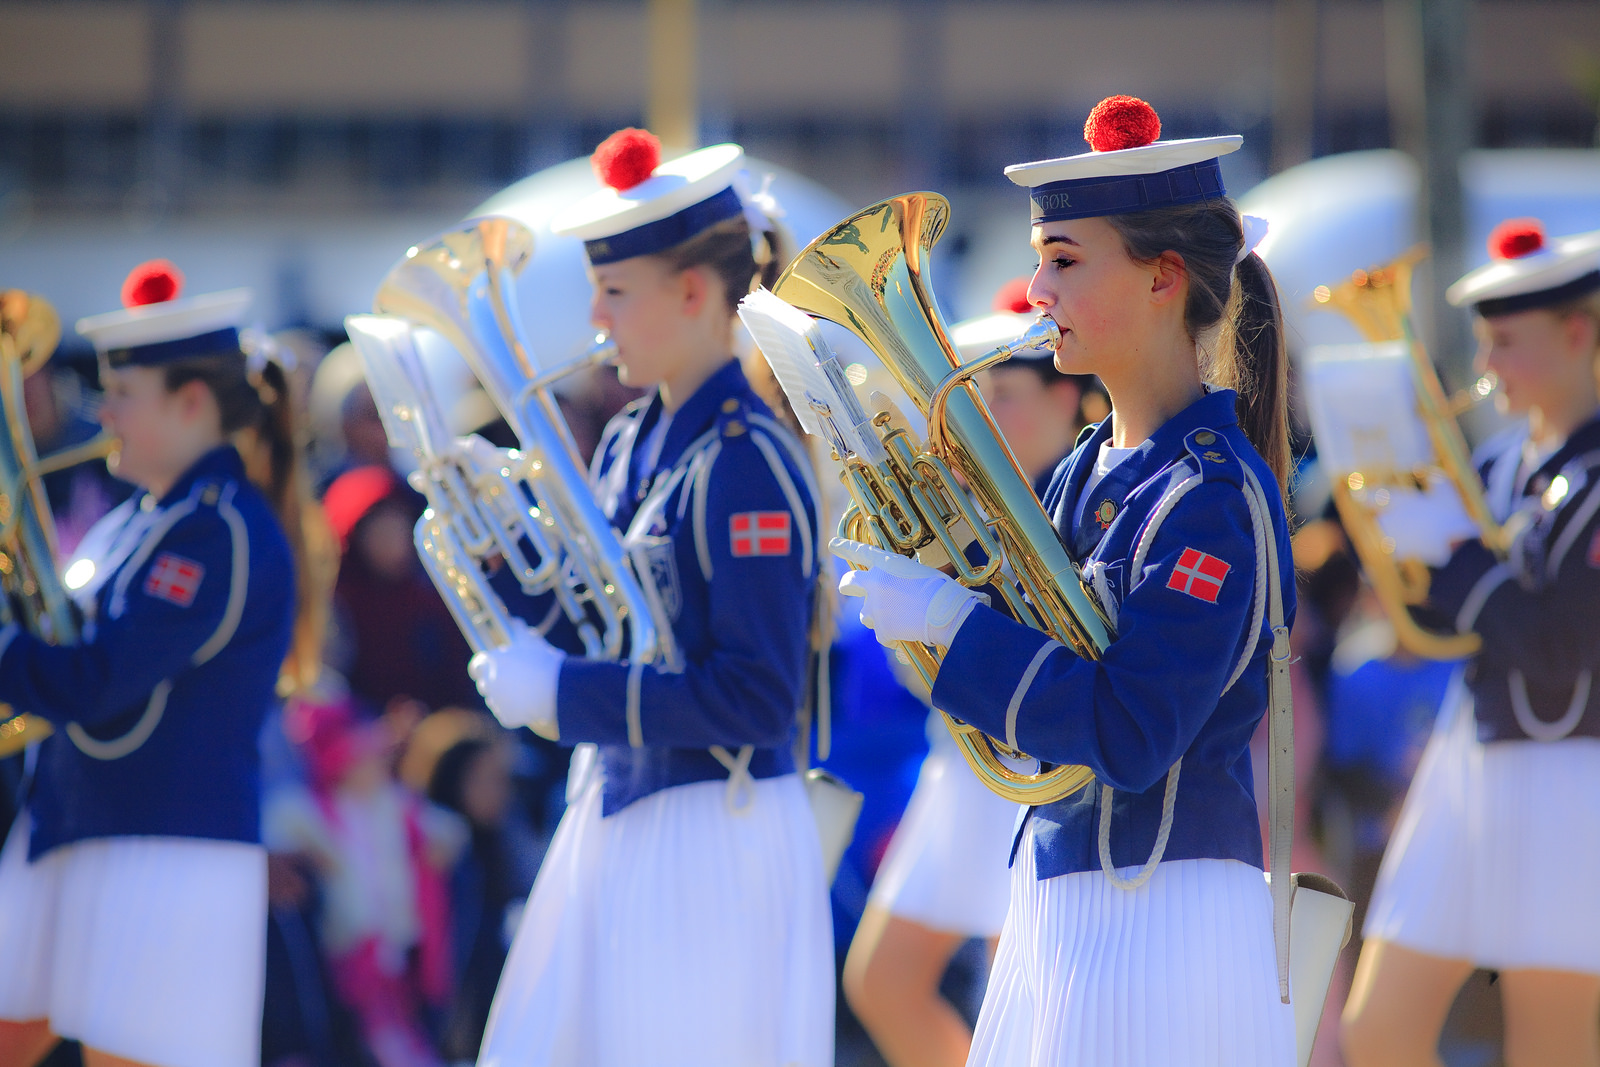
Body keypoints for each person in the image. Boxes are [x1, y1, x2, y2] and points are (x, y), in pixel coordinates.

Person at [832, 95, 1298, 1065]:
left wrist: (955, 625)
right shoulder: (1087, 468)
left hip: (1160, 915)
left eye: (1065, 260)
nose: (1037, 289)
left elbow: (1132, 731)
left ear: (1163, 277)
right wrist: (927, 578)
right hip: (1070, 887)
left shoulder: (1211, 496)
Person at [465, 128, 834, 1067]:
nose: (595, 316)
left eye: (615, 291)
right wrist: (496, 555)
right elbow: (604, 623)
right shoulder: (635, 436)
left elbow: (757, 697)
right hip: (625, 807)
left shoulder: (746, 461)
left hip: (713, 833)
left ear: (694, 293)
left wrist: (564, 693)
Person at [0, 260, 318, 1067]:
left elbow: (97, 680)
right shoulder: (139, 520)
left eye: (122, 393)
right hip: (83, 823)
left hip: (167, 849)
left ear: (192, 403)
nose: (103, 412)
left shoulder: (215, 529)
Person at [1340, 219, 1600, 1067]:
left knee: (1552, 1045)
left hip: (1571, 773)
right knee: (1376, 1031)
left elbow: (1566, 643)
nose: (1488, 365)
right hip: (1470, 756)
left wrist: (1456, 563)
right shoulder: (1497, 463)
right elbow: (1447, 619)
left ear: (1579, 332)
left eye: (1507, 342)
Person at [842, 283, 1096, 1067]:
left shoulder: (1076, 503)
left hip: (1025, 765)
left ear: (1068, 398)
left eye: (1005, 394)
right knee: (882, 980)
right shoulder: (977, 503)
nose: (983, 415)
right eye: (977, 394)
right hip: (962, 762)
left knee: (1012, 1000)